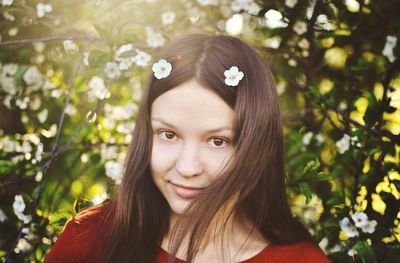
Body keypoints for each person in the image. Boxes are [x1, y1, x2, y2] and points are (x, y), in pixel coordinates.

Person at [44, 32, 329, 263]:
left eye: (218, 141)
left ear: (256, 145)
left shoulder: (300, 259)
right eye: (168, 134)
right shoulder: (90, 240)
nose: (187, 167)